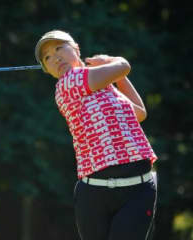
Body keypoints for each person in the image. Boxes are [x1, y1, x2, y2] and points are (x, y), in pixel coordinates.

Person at [34, 30, 158, 240]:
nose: (55, 57)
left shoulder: (105, 88)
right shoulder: (67, 83)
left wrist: (118, 77)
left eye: (59, 48)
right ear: (47, 69)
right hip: (96, 195)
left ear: (76, 49)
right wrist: (111, 61)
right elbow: (124, 66)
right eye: (47, 58)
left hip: (138, 189)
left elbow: (139, 112)